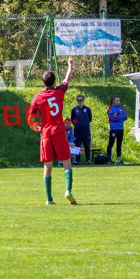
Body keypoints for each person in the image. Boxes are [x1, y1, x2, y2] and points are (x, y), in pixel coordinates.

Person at [27, 57, 76, 205]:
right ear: (54, 82)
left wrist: (34, 126)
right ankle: (67, 190)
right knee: (67, 162)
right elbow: (67, 79)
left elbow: (31, 117)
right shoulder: (59, 92)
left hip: (46, 133)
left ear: (43, 82)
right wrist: (70, 65)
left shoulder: (38, 97)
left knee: (48, 166)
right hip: (59, 131)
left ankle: (49, 199)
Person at [70, 95, 93, 164]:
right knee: (77, 146)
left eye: (81, 100)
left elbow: (90, 118)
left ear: (83, 100)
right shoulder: (74, 109)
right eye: (78, 100)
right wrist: (77, 124)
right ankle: (78, 160)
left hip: (86, 130)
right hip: (77, 131)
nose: (79, 101)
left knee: (87, 145)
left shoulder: (87, 109)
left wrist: (84, 123)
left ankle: (88, 160)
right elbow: (73, 119)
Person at [106, 96, 127, 165]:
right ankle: (108, 159)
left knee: (119, 144)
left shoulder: (121, 109)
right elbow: (113, 118)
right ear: (113, 101)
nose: (118, 102)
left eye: (119, 100)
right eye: (117, 100)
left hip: (120, 128)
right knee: (111, 143)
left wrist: (118, 115)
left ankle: (119, 160)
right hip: (113, 129)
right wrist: (120, 116)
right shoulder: (110, 109)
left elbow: (125, 117)